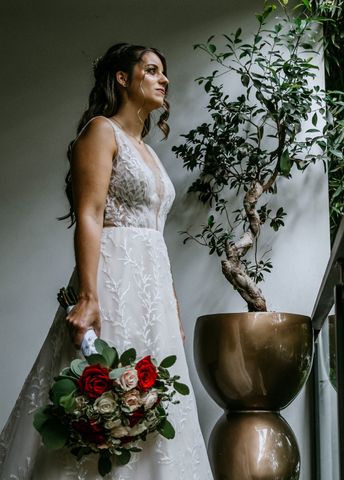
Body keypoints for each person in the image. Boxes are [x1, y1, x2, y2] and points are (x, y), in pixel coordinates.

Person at [0, 43, 213, 479]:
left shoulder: (147, 150)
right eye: (151, 70)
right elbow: (90, 214)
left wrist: (172, 305)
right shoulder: (101, 131)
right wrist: (90, 296)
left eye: (163, 73)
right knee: (99, 395)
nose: (163, 80)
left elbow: (155, 235)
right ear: (122, 78)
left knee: (152, 401)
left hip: (151, 290)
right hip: (113, 281)